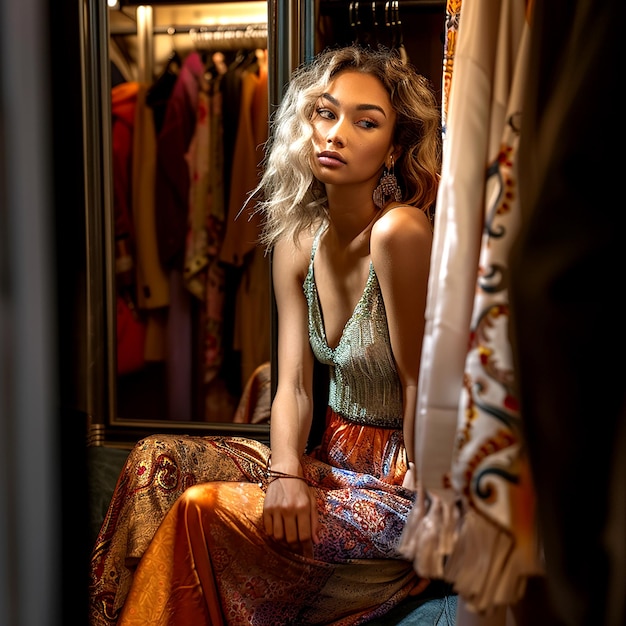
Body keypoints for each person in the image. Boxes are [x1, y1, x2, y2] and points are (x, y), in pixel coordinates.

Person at [89, 44, 445, 626]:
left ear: (394, 151)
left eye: (366, 122)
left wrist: (435, 520)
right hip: (325, 463)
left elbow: (420, 388)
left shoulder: (399, 232)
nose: (336, 133)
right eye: (325, 113)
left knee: (204, 508)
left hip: (397, 487)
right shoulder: (296, 242)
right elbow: (294, 389)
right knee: (155, 463)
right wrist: (284, 473)